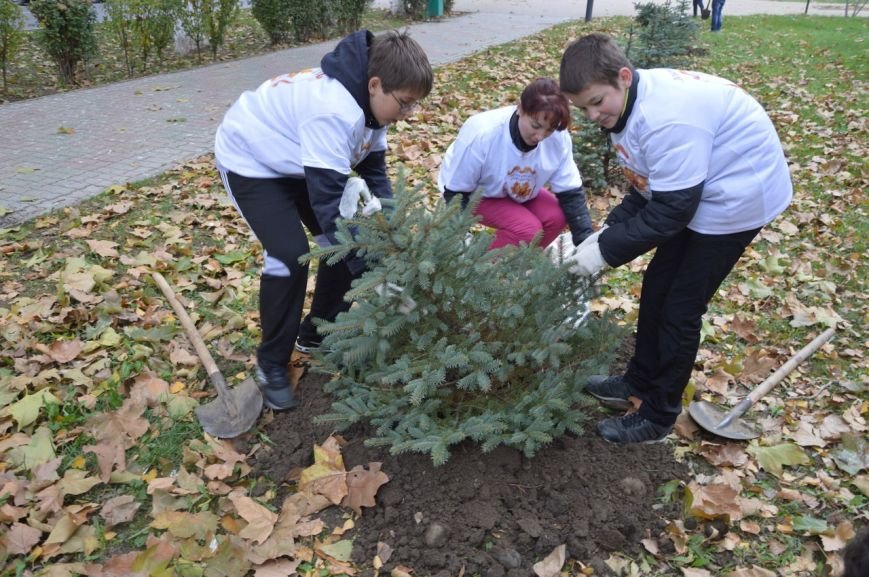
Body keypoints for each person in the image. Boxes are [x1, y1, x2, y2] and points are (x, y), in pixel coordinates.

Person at [558, 33, 793, 443]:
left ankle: (658, 414)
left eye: (597, 102)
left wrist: (602, 254)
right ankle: (637, 382)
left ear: (624, 78)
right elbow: (647, 185)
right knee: (658, 286)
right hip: (696, 189)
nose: (593, 114)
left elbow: (670, 212)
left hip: (738, 195)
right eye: (584, 108)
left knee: (681, 306)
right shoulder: (625, 107)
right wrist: (604, 234)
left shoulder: (667, 119)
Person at [214, 30, 433, 410]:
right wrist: (378, 277)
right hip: (251, 158)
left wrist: (392, 235)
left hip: (301, 159)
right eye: (405, 104)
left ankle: (314, 334)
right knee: (290, 255)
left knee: (343, 244)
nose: (407, 115)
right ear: (376, 84)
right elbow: (331, 207)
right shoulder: (334, 111)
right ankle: (271, 364)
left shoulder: (372, 105)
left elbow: (374, 172)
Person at [438, 77, 593, 250]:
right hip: (473, 190)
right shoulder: (483, 133)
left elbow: (570, 192)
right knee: (527, 230)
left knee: (556, 217)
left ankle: (521, 267)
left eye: (549, 129)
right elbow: (456, 194)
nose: (540, 136)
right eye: (535, 125)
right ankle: (482, 268)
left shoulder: (558, 137)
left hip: (517, 186)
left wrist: (585, 242)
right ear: (520, 108)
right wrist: (455, 242)